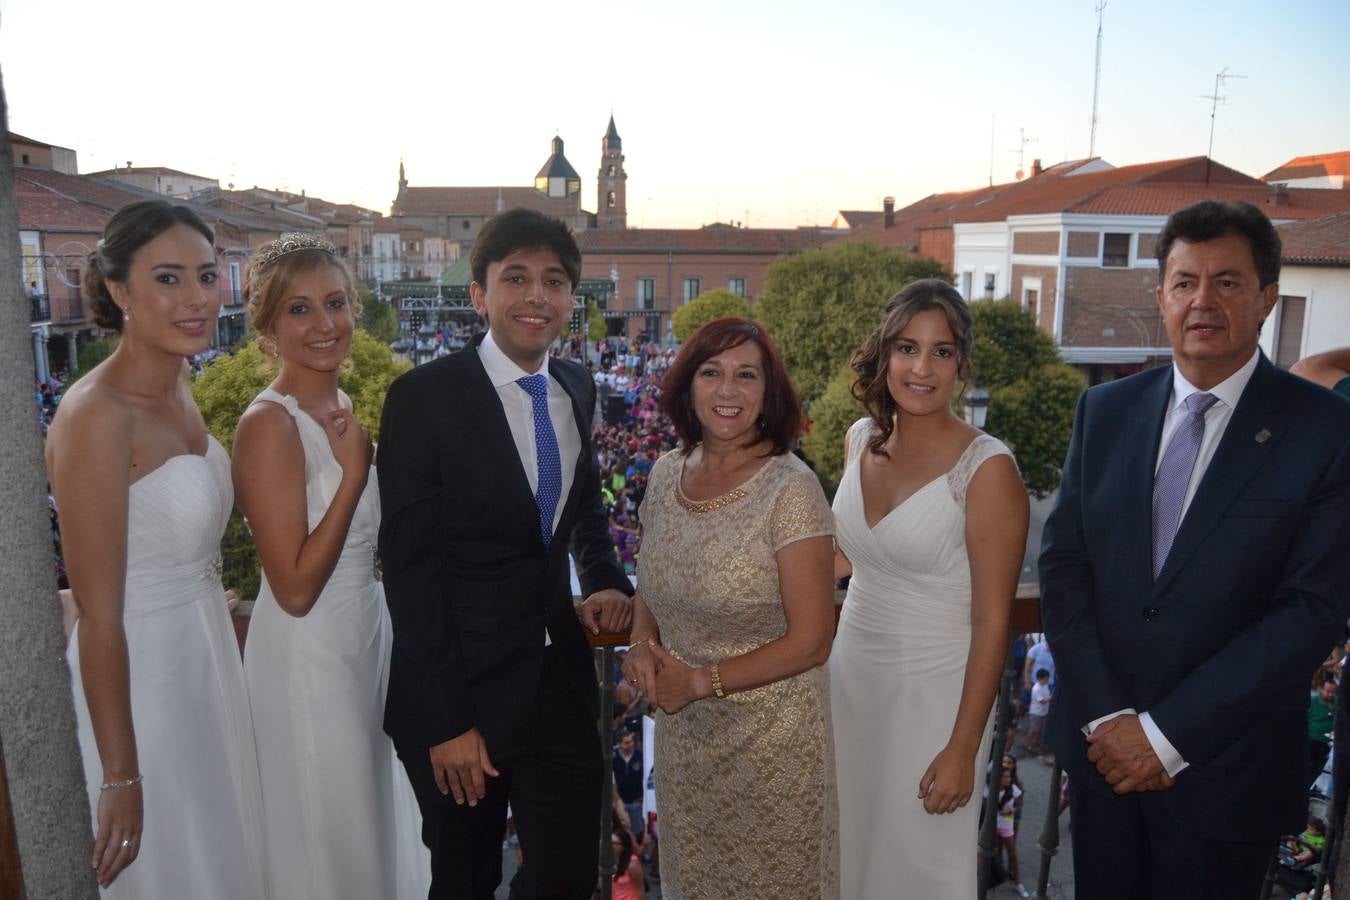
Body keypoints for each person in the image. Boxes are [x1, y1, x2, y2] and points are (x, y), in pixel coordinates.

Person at [1040, 199, 1350, 898]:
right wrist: (1109, 719)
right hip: (1104, 764)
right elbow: (1064, 566)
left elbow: (1311, 611)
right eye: (1185, 283)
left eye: (1228, 282)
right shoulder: (1106, 411)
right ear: (1161, 297)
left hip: (1225, 777)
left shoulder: (1326, 430)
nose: (1202, 301)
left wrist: (1165, 736)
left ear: (1267, 297)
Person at [378, 208, 634, 900]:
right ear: (478, 293)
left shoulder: (577, 388)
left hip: (559, 684)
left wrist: (609, 580)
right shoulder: (422, 399)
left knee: (567, 879)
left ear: (569, 300)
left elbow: (583, 508)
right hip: (462, 692)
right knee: (465, 883)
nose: (535, 296)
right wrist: (448, 721)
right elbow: (410, 570)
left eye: (553, 281)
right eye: (515, 277)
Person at [45, 200, 264, 896]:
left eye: (205, 275)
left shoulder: (181, 387)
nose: (198, 298)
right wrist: (121, 774)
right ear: (118, 290)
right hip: (143, 688)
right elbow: (99, 612)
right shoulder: (94, 417)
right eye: (169, 279)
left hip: (205, 663)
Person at [232, 233, 428, 898]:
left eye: (336, 303)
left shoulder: (340, 408)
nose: (325, 325)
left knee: (364, 823)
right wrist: (351, 478)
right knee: (325, 833)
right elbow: (290, 586)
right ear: (266, 327)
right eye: (299, 310)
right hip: (308, 657)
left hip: (364, 641)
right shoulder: (269, 426)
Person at [621, 317, 838, 899]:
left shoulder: (790, 489)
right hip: (685, 747)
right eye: (711, 372)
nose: (727, 390)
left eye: (747, 375)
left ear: (768, 394)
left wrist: (698, 681)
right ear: (688, 386)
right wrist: (640, 644)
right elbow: (651, 581)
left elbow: (814, 639)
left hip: (773, 752)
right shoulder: (666, 475)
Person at [828, 279, 1028, 898]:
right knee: (843, 855)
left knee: (914, 869)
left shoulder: (988, 469)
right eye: (907, 348)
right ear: (884, 354)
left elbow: (994, 622)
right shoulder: (860, 440)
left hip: (934, 701)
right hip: (847, 683)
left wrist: (963, 748)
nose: (921, 367)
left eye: (941, 352)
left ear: (962, 365)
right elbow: (840, 559)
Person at [612, 730, 645, 838]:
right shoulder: (613, 757)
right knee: (623, 834)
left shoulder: (640, 756)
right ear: (619, 743)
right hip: (620, 803)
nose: (630, 745)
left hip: (636, 802)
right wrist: (616, 800)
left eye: (631, 742)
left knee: (637, 833)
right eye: (626, 743)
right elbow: (612, 781)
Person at [1308, 675, 1337, 784]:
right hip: (1310, 742)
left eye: (1333, 692)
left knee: (1316, 770)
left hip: (1326, 744)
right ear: (1321, 689)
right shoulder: (1313, 701)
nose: (1330, 694)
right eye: (1328, 691)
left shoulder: (1337, 703)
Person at [610, 827, 646, 900]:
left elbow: (640, 890)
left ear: (623, 846)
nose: (611, 845)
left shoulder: (632, 864)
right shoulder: (609, 860)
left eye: (614, 843)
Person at [1027, 669, 1053, 755]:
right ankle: (1027, 744)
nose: (1047, 680)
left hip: (1043, 712)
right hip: (1036, 713)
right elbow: (1042, 701)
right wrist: (1052, 697)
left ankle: (1035, 743)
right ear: (1040, 678)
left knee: (1039, 730)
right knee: (1033, 730)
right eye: (1046, 679)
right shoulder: (1036, 688)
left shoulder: (1045, 686)